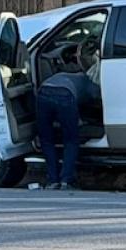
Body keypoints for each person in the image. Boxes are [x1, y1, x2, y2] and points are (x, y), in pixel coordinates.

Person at [36, 49, 99, 191]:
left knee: (46, 140)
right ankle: (66, 180)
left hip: (43, 92)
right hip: (65, 94)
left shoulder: (62, 75)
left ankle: (53, 181)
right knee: (70, 140)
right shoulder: (87, 81)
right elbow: (96, 97)